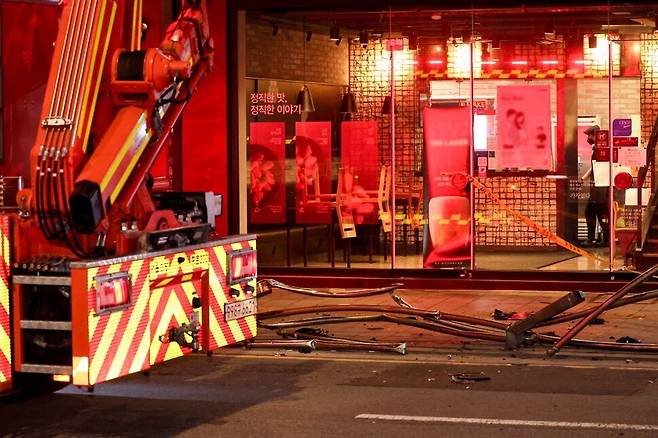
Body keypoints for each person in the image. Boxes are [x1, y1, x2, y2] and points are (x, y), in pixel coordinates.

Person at [581, 125, 609, 247]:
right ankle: (604, 239)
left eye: (590, 135)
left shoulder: (600, 150)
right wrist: (584, 178)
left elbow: (600, 168)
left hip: (600, 187)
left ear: (595, 135)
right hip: (599, 186)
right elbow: (594, 167)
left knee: (591, 212)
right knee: (600, 213)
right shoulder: (598, 149)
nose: (588, 138)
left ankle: (594, 238)